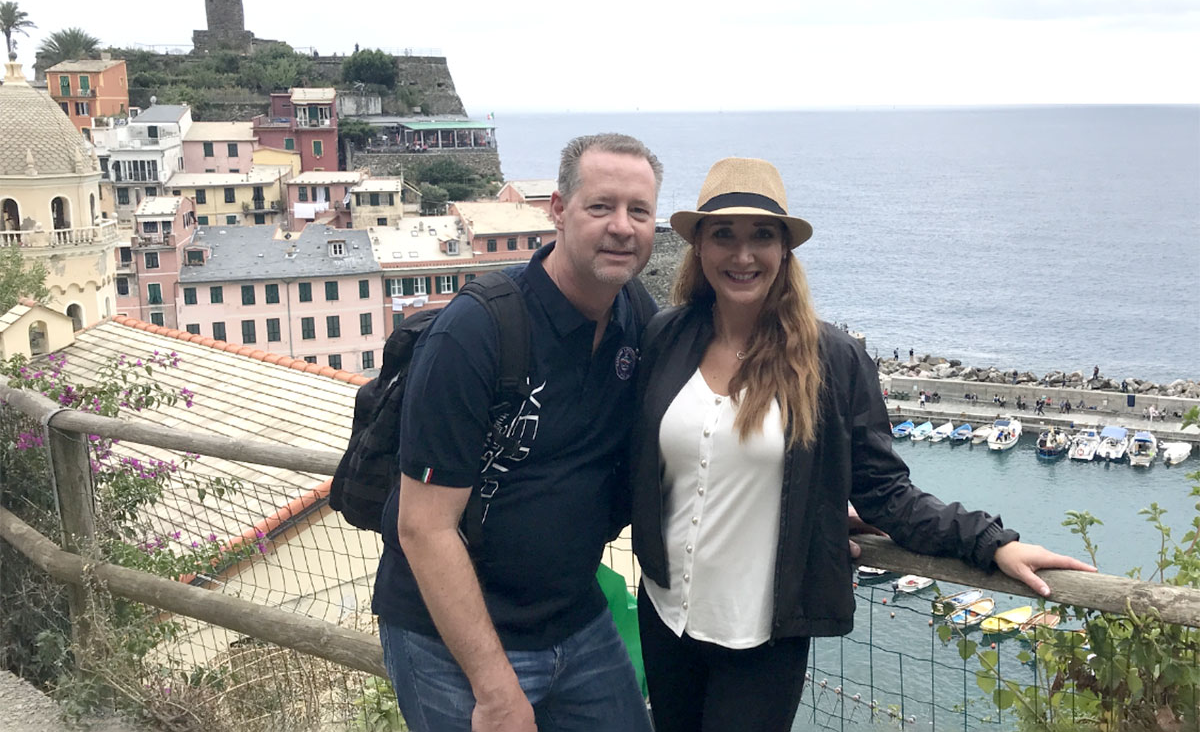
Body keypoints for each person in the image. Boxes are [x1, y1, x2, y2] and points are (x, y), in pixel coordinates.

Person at [629, 157, 1095, 732]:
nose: (742, 255)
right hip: (664, 611)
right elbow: (639, 463)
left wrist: (992, 543)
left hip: (762, 634)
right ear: (699, 247)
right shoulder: (665, 337)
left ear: (785, 251)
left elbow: (883, 489)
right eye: (723, 234)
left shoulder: (831, 361)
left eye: (762, 237)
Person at [372, 133, 662, 732]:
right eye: (600, 206)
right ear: (558, 210)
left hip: (573, 617)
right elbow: (423, 526)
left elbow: (703, 417)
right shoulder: (477, 332)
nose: (622, 227)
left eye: (639, 211)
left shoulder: (637, 315)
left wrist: (809, 501)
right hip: (451, 640)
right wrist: (495, 688)